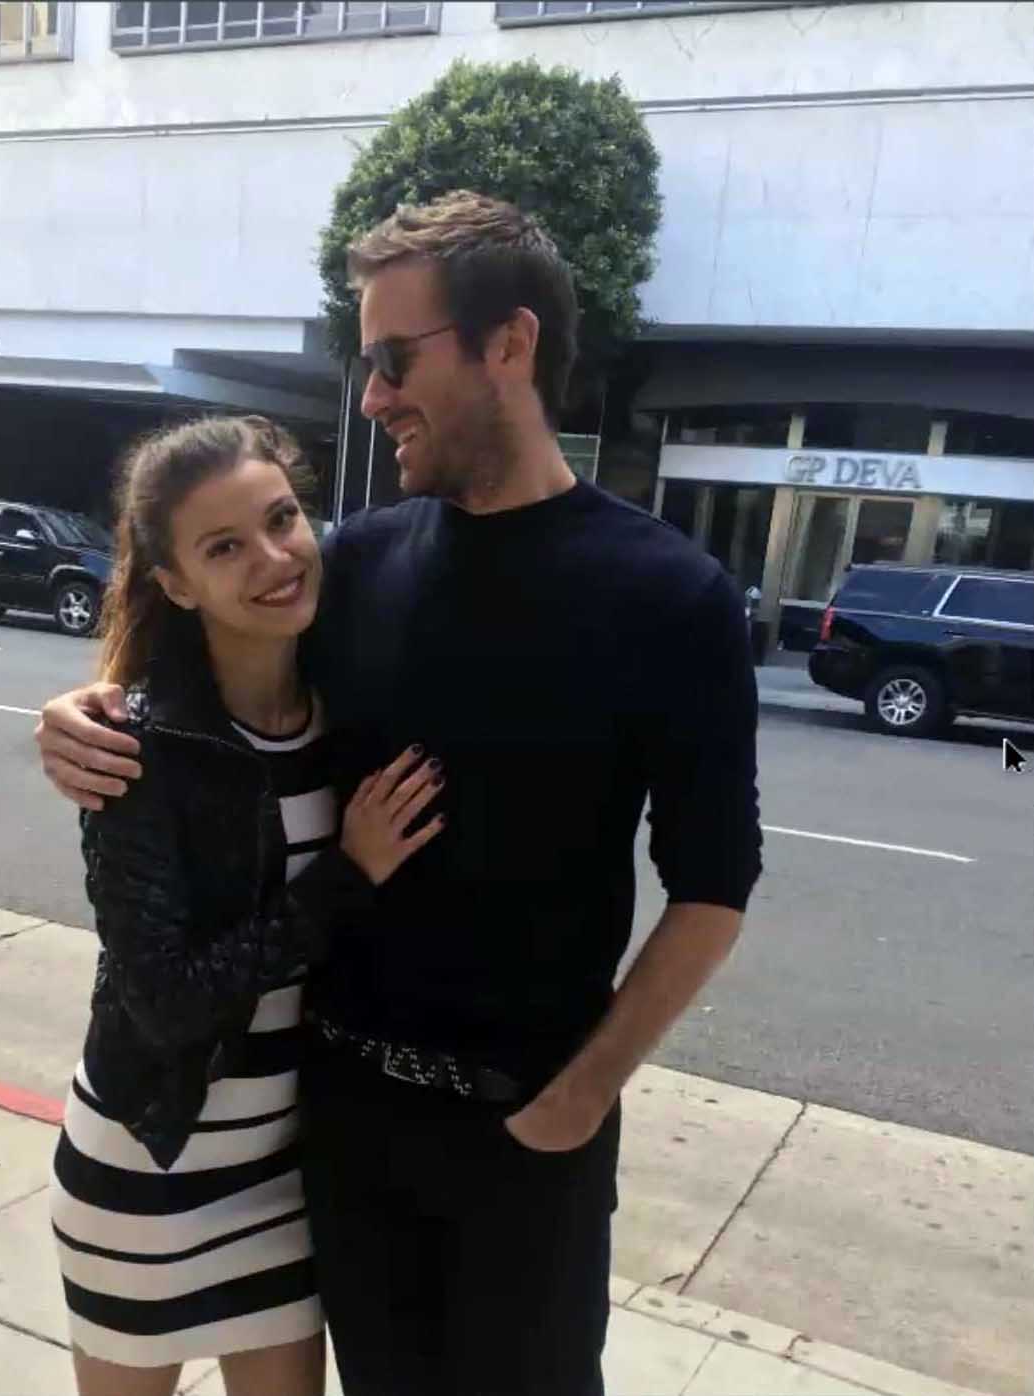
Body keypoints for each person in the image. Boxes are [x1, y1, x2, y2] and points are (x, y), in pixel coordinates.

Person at [37, 191, 763, 1396]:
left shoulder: (670, 598)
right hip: (334, 1131)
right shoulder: (361, 563)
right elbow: (210, 693)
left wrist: (580, 1097)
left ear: (509, 344)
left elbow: (713, 887)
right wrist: (82, 712)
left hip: (526, 1138)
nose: (371, 396)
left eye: (392, 360)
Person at [48, 414, 443, 1396]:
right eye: (224, 546)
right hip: (147, 1165)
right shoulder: (141, 751)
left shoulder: (347, 714)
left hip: (280, 1176)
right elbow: (168, 1000)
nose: (273, 557)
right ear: (174, 583)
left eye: (282, 518)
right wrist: (344, 876)